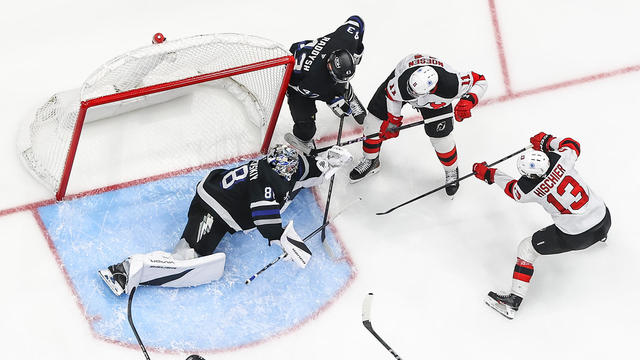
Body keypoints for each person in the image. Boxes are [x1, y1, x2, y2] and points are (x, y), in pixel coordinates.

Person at [98, 144, 352, 296]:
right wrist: (279, 237)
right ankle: (126, 271)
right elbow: (264, 215)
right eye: (286, 172)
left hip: (221, 195)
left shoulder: (283, 165)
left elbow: (303, 168)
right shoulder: (263, 183)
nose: (290, 173)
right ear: (275, 170)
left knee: (295, 182)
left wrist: (327, 161)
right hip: (212, 208)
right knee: (188, 255)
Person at [471, 132, 611, 319]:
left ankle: (513, 301)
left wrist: (490, 173)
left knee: (526, 249)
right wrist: (547, 141)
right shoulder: (562, 158)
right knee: (589, 214)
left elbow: (513, 190)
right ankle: (601, 236)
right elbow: (573, 144)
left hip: (578, 237)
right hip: (604, 219)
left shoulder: (528, 189)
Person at [349, 53, 488, 198]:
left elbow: (480, 80)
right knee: (372, 122)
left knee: (441, 140)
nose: (409, 94)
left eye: (413, 93)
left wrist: (468, 101)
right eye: (409, 90)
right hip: (406, 75)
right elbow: (393, 96)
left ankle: (451, 171)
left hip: (435, 102)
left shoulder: (452, 84)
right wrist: (393, 120)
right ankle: (371, 160)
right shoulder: (401, 83)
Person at [286, 15, 367, 152]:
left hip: (313, 62)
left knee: (339, 89)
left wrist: (358, 49)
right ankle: (304, 139)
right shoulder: (313, 82)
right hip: (296, 82)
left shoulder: (345, 40)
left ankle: (347, 94)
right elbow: (322, 93)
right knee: (305, 128)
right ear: (330, 67)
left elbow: (356, 21)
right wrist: (334, 101)